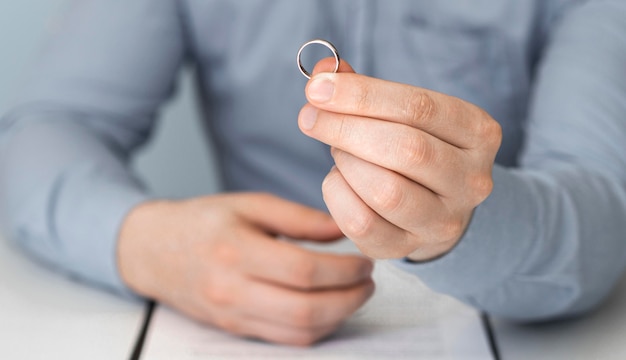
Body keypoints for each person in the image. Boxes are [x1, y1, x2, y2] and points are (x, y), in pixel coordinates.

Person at [1, 0, 625, 347]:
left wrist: (459, 225)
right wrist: (143, 242)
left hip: (482, 318)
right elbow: (43, 128)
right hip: (233, 333)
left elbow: (603, 211)